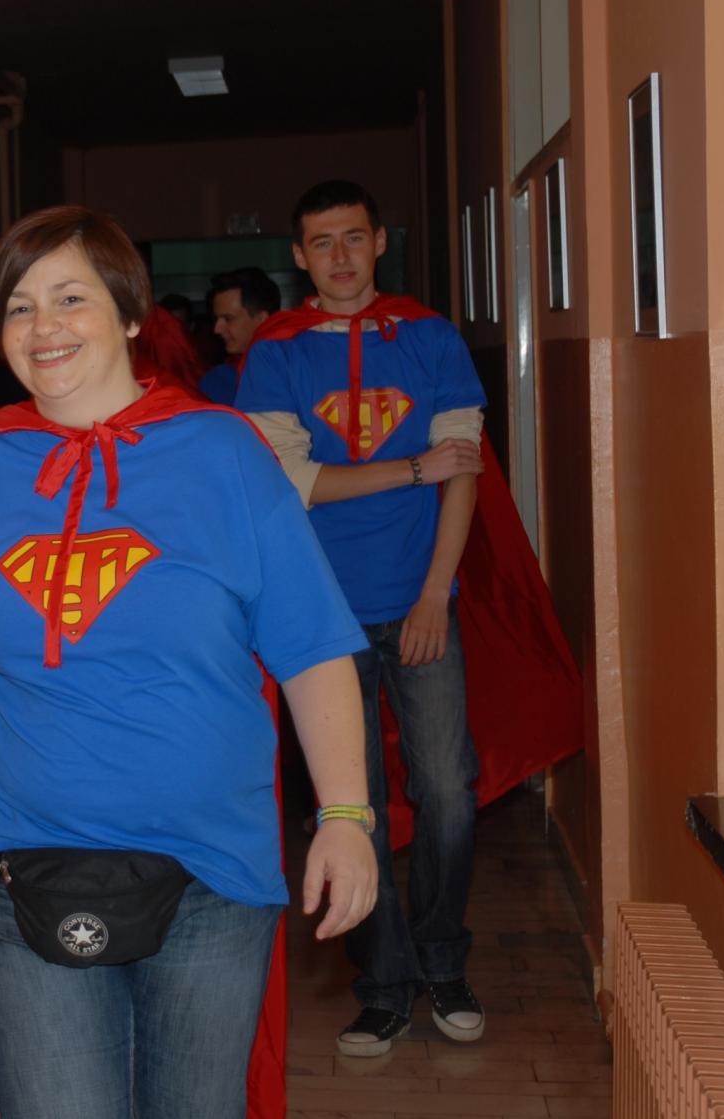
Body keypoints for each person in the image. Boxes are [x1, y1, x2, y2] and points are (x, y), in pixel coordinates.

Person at [0, 205, 378, 1118]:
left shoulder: (223, 451)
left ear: (127, 313)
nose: (43, 327)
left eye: (69, 298)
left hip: (208, 877)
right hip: (21, 864)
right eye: (19, 307)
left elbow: (313, 650)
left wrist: (347, 815)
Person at [235, 179, 487, 1057]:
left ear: (380, 241)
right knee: (356, 804)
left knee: (448, 792)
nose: (339, 256)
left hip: (421, 601)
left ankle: (442, 962)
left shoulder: (431, 337)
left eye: (353, 237)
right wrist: (412, 467)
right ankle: (381, 985)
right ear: (298, 256)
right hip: (320, 618)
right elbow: (291, 483)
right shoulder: (275, 352)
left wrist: (435, 592)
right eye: (321, 241)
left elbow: (465, 470)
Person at [201, 266, 281, 406]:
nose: (217, 329)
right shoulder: (220, 380)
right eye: (216, 319)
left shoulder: (297, 368)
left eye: (228, 319)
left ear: (262, 320)